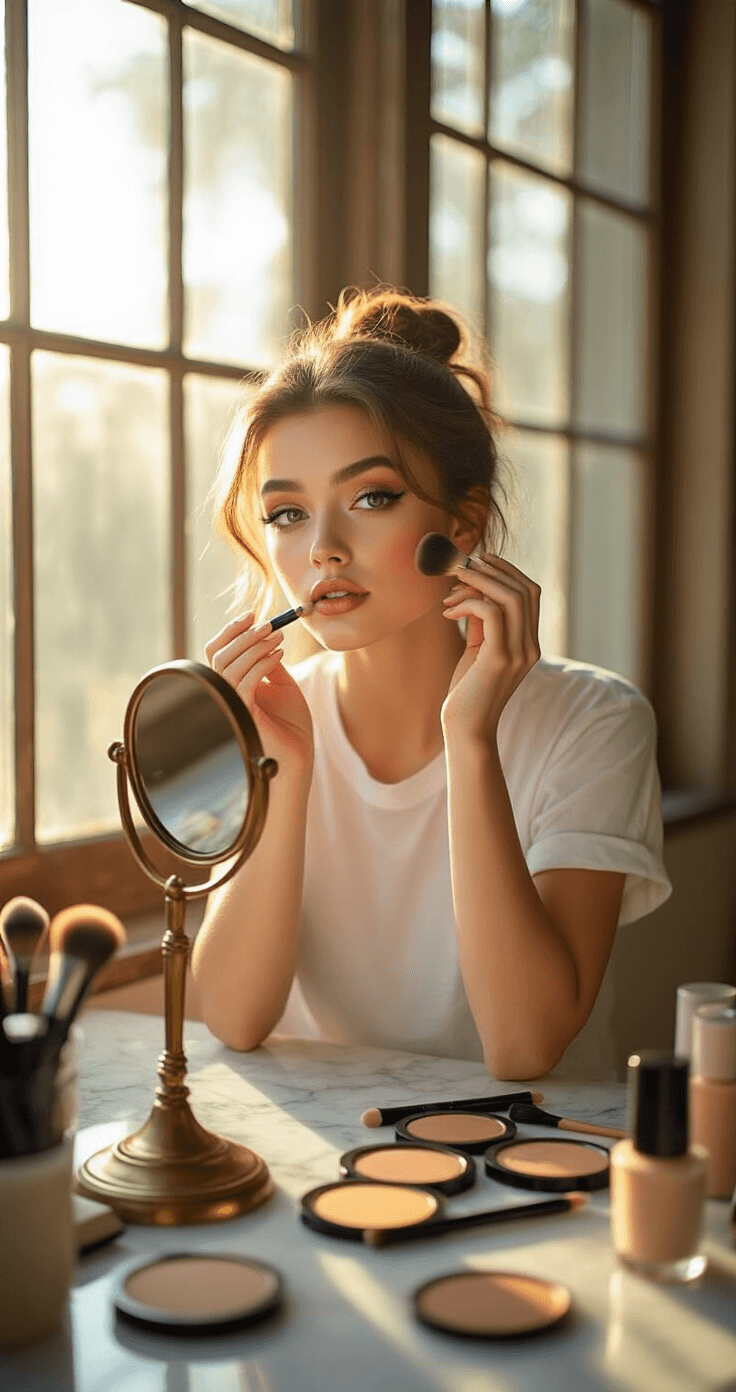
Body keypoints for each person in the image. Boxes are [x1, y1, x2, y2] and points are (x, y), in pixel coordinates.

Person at [191, 287, 671, 1080]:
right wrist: (283, 770)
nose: (324, 550)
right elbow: (235, 1019)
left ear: (463, 523)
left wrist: (471, 738)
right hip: (332, 1166)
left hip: (529, 1173)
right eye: (287, 514)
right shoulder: (279, 715)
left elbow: (523, 1045)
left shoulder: (594, 721)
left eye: (371, 498)